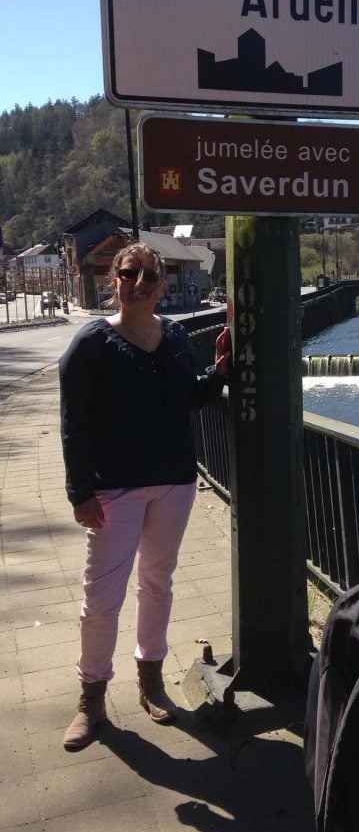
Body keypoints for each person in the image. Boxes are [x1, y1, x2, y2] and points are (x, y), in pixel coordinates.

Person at [59, 243, 231, 751]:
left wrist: (217, 374)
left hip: (174, 482)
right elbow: (73, 424)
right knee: (101, 598)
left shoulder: (175, 336)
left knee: (157, 584)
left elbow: (189, 400)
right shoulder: (92, 342)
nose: (140, 282)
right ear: (114, 280)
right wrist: (79, 492)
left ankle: (150, 682)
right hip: (114, 488)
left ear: (161, 282)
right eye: (129, 273)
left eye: (149, 275)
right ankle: (91, 699)